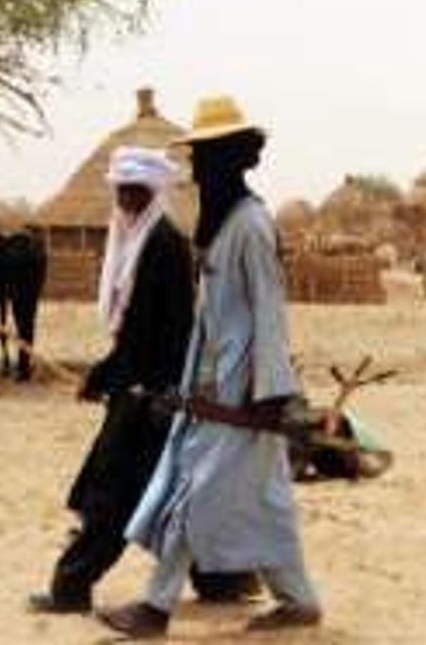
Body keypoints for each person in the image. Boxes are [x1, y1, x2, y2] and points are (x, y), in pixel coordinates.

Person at [98, 97, 322, 638]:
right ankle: (300, 602)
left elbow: (269, 310)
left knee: (192, 494)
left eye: (203, 158)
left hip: (244, 394)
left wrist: (271, 392)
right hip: (213, 388)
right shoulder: (222, 224)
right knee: (267, 503)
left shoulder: (250, 226)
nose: (195, 170)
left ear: (229, 160)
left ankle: (154, 607)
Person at [28, 146, 256, 614]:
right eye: (122, 190)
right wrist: (109, 375)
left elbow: (169, 332)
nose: (127, 198)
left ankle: (71, 588)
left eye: (136, 190)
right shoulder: (135, 239)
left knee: (112, 491)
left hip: (153, 396)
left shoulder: (163, 245)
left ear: (153, 193)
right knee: (172, 492)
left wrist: (128, 383)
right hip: (143, 389)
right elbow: (135, 331)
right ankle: (224, 580)